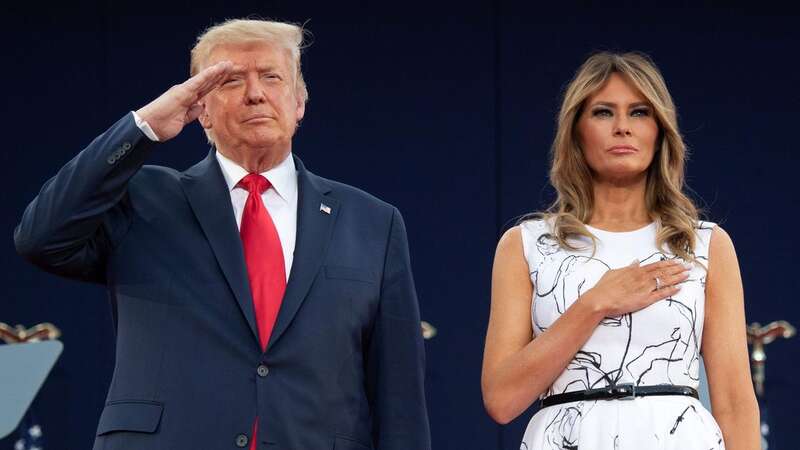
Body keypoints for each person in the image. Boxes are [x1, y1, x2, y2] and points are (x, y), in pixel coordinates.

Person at [14, 18, 430, 450]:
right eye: (231, 80)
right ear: (201, 109)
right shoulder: (143, 199)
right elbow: (40, 237)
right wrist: (143, 129)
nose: (255, 93)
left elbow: (400, 396)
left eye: (272, 77)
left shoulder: (372, 222)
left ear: (300, 101)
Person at [481, 52, 759, 449]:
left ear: (661, 130)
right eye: (604, 112)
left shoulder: (705, 244)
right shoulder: (526, 245)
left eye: (640, 112)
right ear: (576, 131)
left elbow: (734, 402)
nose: (623, 128)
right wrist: (596, 303)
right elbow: (501, 400)